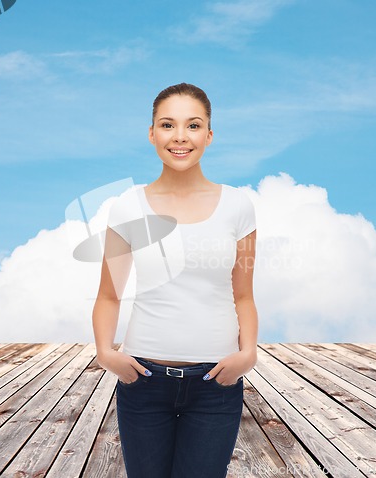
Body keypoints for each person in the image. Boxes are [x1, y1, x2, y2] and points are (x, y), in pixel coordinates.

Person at [92, 82, 258, 478]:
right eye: (168, 124)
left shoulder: (238, 206)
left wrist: (248, 352)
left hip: (216, 385)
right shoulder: (128, 205)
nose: (180, 137)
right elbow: (108, 294)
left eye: (193, 125)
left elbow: (244, 296)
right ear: (152, 134)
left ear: (209, 135)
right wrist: (104, 352)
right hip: (143, 382)